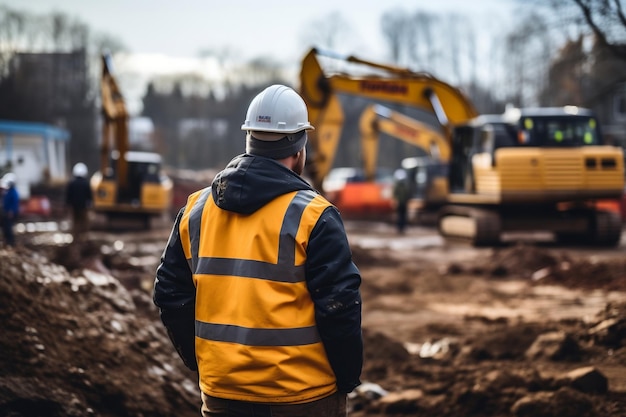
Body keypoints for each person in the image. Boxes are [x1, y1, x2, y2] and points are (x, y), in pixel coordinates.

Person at [153, 84, 363, 417]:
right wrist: (348, 377)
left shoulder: (195, 210)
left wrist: (204, 362)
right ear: (299, 147)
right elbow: (339, 308)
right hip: (303, 397)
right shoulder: (314, 215)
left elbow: (168, 293)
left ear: (249, 138)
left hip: (223, 396)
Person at [65, 162, 93, 243]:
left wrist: (67, 205)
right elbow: (89, 196)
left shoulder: (71, 183)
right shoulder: (86, 184)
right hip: (83, 207)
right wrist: (90, 205)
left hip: (74, 207)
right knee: (84, 222)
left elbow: (68, 196)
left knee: (75, 222)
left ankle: (75, 237)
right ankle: (84, 238)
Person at [1, 172, 19, 247]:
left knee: (8, 228)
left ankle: (11, 242)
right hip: (6, 212)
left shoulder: (13, 192)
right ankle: (7, 241)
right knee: (5, 228)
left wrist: (11, 212)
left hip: (10, 213)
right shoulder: (7, 192)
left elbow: (14, 203)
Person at [392, 168, 410, 234]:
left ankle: (400, 228)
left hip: (401, 203)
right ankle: (401, 228)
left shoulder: (398, 187)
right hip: (402, 203)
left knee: (400, 216)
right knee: (402, 216)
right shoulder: (404, 187)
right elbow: (407, 195)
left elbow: (395, 195)